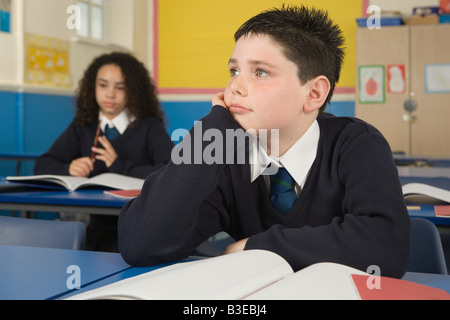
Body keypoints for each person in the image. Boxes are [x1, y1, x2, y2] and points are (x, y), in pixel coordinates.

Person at [118, 6, 410, 278]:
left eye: (260, 72)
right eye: (234, 71)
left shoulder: (357, 144)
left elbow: (385, 246)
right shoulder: (224, 151)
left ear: (314, 94)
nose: (235, 86)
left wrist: (256, 247)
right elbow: (140, 243)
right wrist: (212, 132)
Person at [35, 52, 174, 252]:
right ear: (92, 87)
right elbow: (43, 164)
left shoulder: (149, 126)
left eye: (120, 87)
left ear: (133, 91)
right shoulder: (84, 126)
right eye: (103, 85)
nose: (110, 94)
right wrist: (69, 168)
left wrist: (119, 166)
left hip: (141, 227)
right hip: (97, 227)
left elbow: (170, 171)